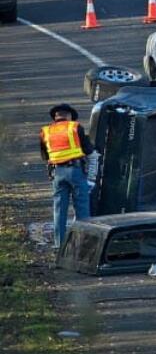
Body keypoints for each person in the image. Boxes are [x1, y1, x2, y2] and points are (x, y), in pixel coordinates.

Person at [39, 104, 94, 249]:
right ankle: (84, 244)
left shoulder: (45, 131)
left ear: (55, 117)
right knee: (82, 208)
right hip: (75, 171)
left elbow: (45, 156)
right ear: (69, 116)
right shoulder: (75, 127)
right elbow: (88, 150)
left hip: (57, 173)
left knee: (59, 209)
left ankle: (60, 245)